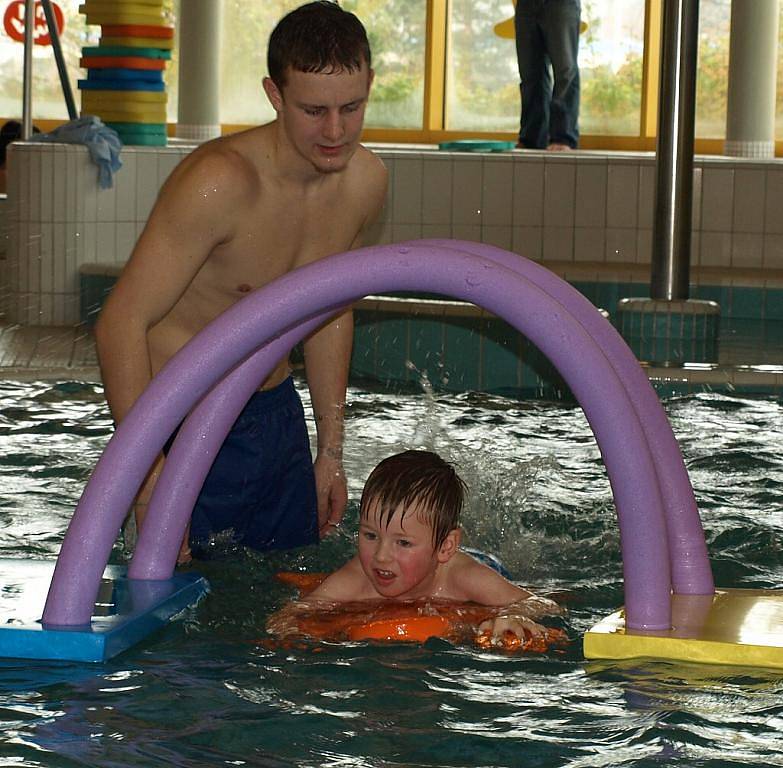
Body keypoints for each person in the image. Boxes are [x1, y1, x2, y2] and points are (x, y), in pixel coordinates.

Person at [94, 1, 388, 562]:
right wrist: (146, 472)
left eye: (351, 108)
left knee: (281, 606)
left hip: (274, 416)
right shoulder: (220, 183)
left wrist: (331, 449)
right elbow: (121, 323)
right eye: (313, 110)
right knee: (184, 621)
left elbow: (329, 312)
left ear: (370, 85)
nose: (335, 130)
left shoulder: (366, 182)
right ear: (275, 95)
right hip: (181, 421)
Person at [269, 450, 562, 644]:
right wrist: (293, 632)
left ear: (445, 547)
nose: (381, 556)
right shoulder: (358, 577)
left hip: (481, 562)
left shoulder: (462, 577)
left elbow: (544, 604)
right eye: (370, 536)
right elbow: (293, 614)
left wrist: (510, 616)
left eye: (403, 542)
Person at [514, 0, 581, 150]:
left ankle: (563, 138)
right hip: (525, 5)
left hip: (561, 4)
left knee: (565, 71)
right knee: (530, 73)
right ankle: (532, 139)